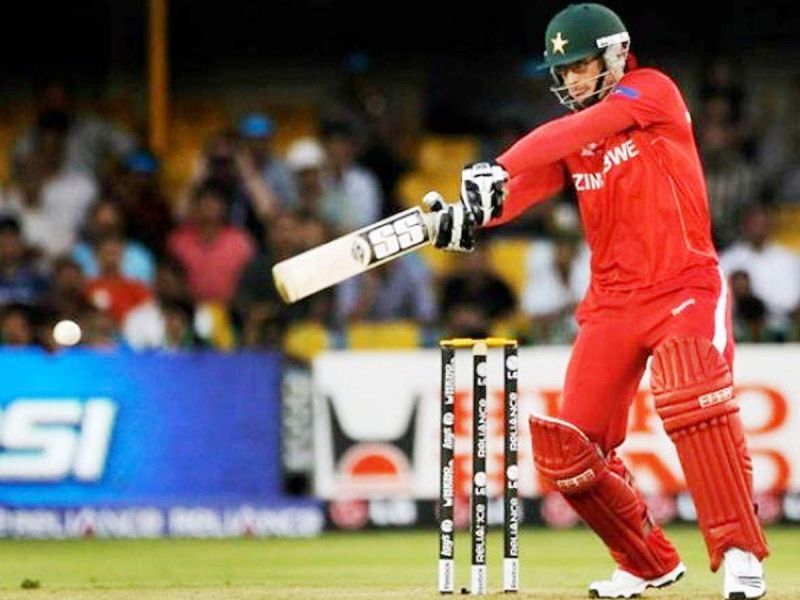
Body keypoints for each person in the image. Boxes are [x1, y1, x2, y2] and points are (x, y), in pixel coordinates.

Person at [423, 4, 768, 599]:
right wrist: (468, 216)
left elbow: (564, 136)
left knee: (691, 395)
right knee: (569, 449)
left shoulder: (651, 92)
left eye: (581, 66)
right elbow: (519, 190)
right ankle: (645, 560)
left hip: (683, 285)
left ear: (614, 54)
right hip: (612, 303)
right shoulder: (574, 135)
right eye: (564, 70)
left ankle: (739, 553)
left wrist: (497, 166)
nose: (573, 81)